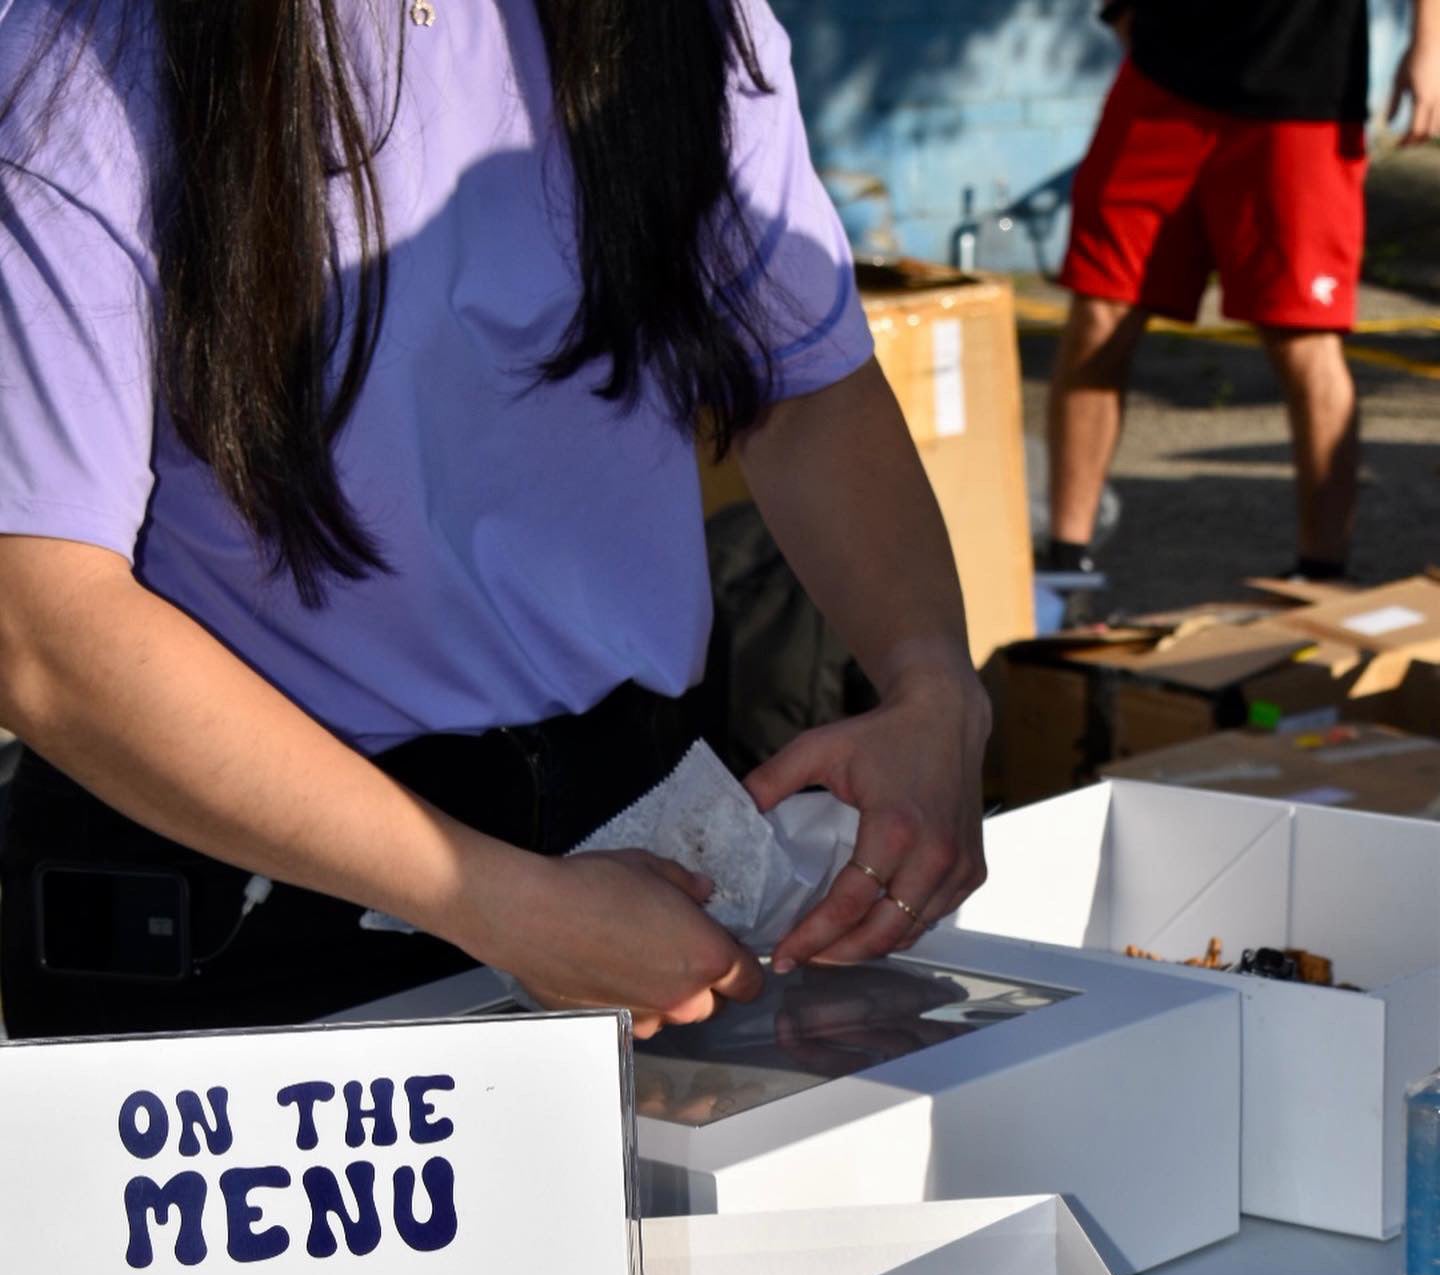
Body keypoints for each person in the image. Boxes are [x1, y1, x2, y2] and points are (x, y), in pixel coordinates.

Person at [0, 0, 990, 1044]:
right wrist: (494, 901)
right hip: (254, 904)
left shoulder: (679, 22)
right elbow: (44, 626)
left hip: (640, 850)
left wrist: (932, 684)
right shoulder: (86, 67)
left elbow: (802, 386)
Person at [1045, 0, 1440, 585]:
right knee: (1101, 310)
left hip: (1303, 94)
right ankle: (1064, 565)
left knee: (1303, 336)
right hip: (1163, 84)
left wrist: (1428, 43)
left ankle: (1322, 573)